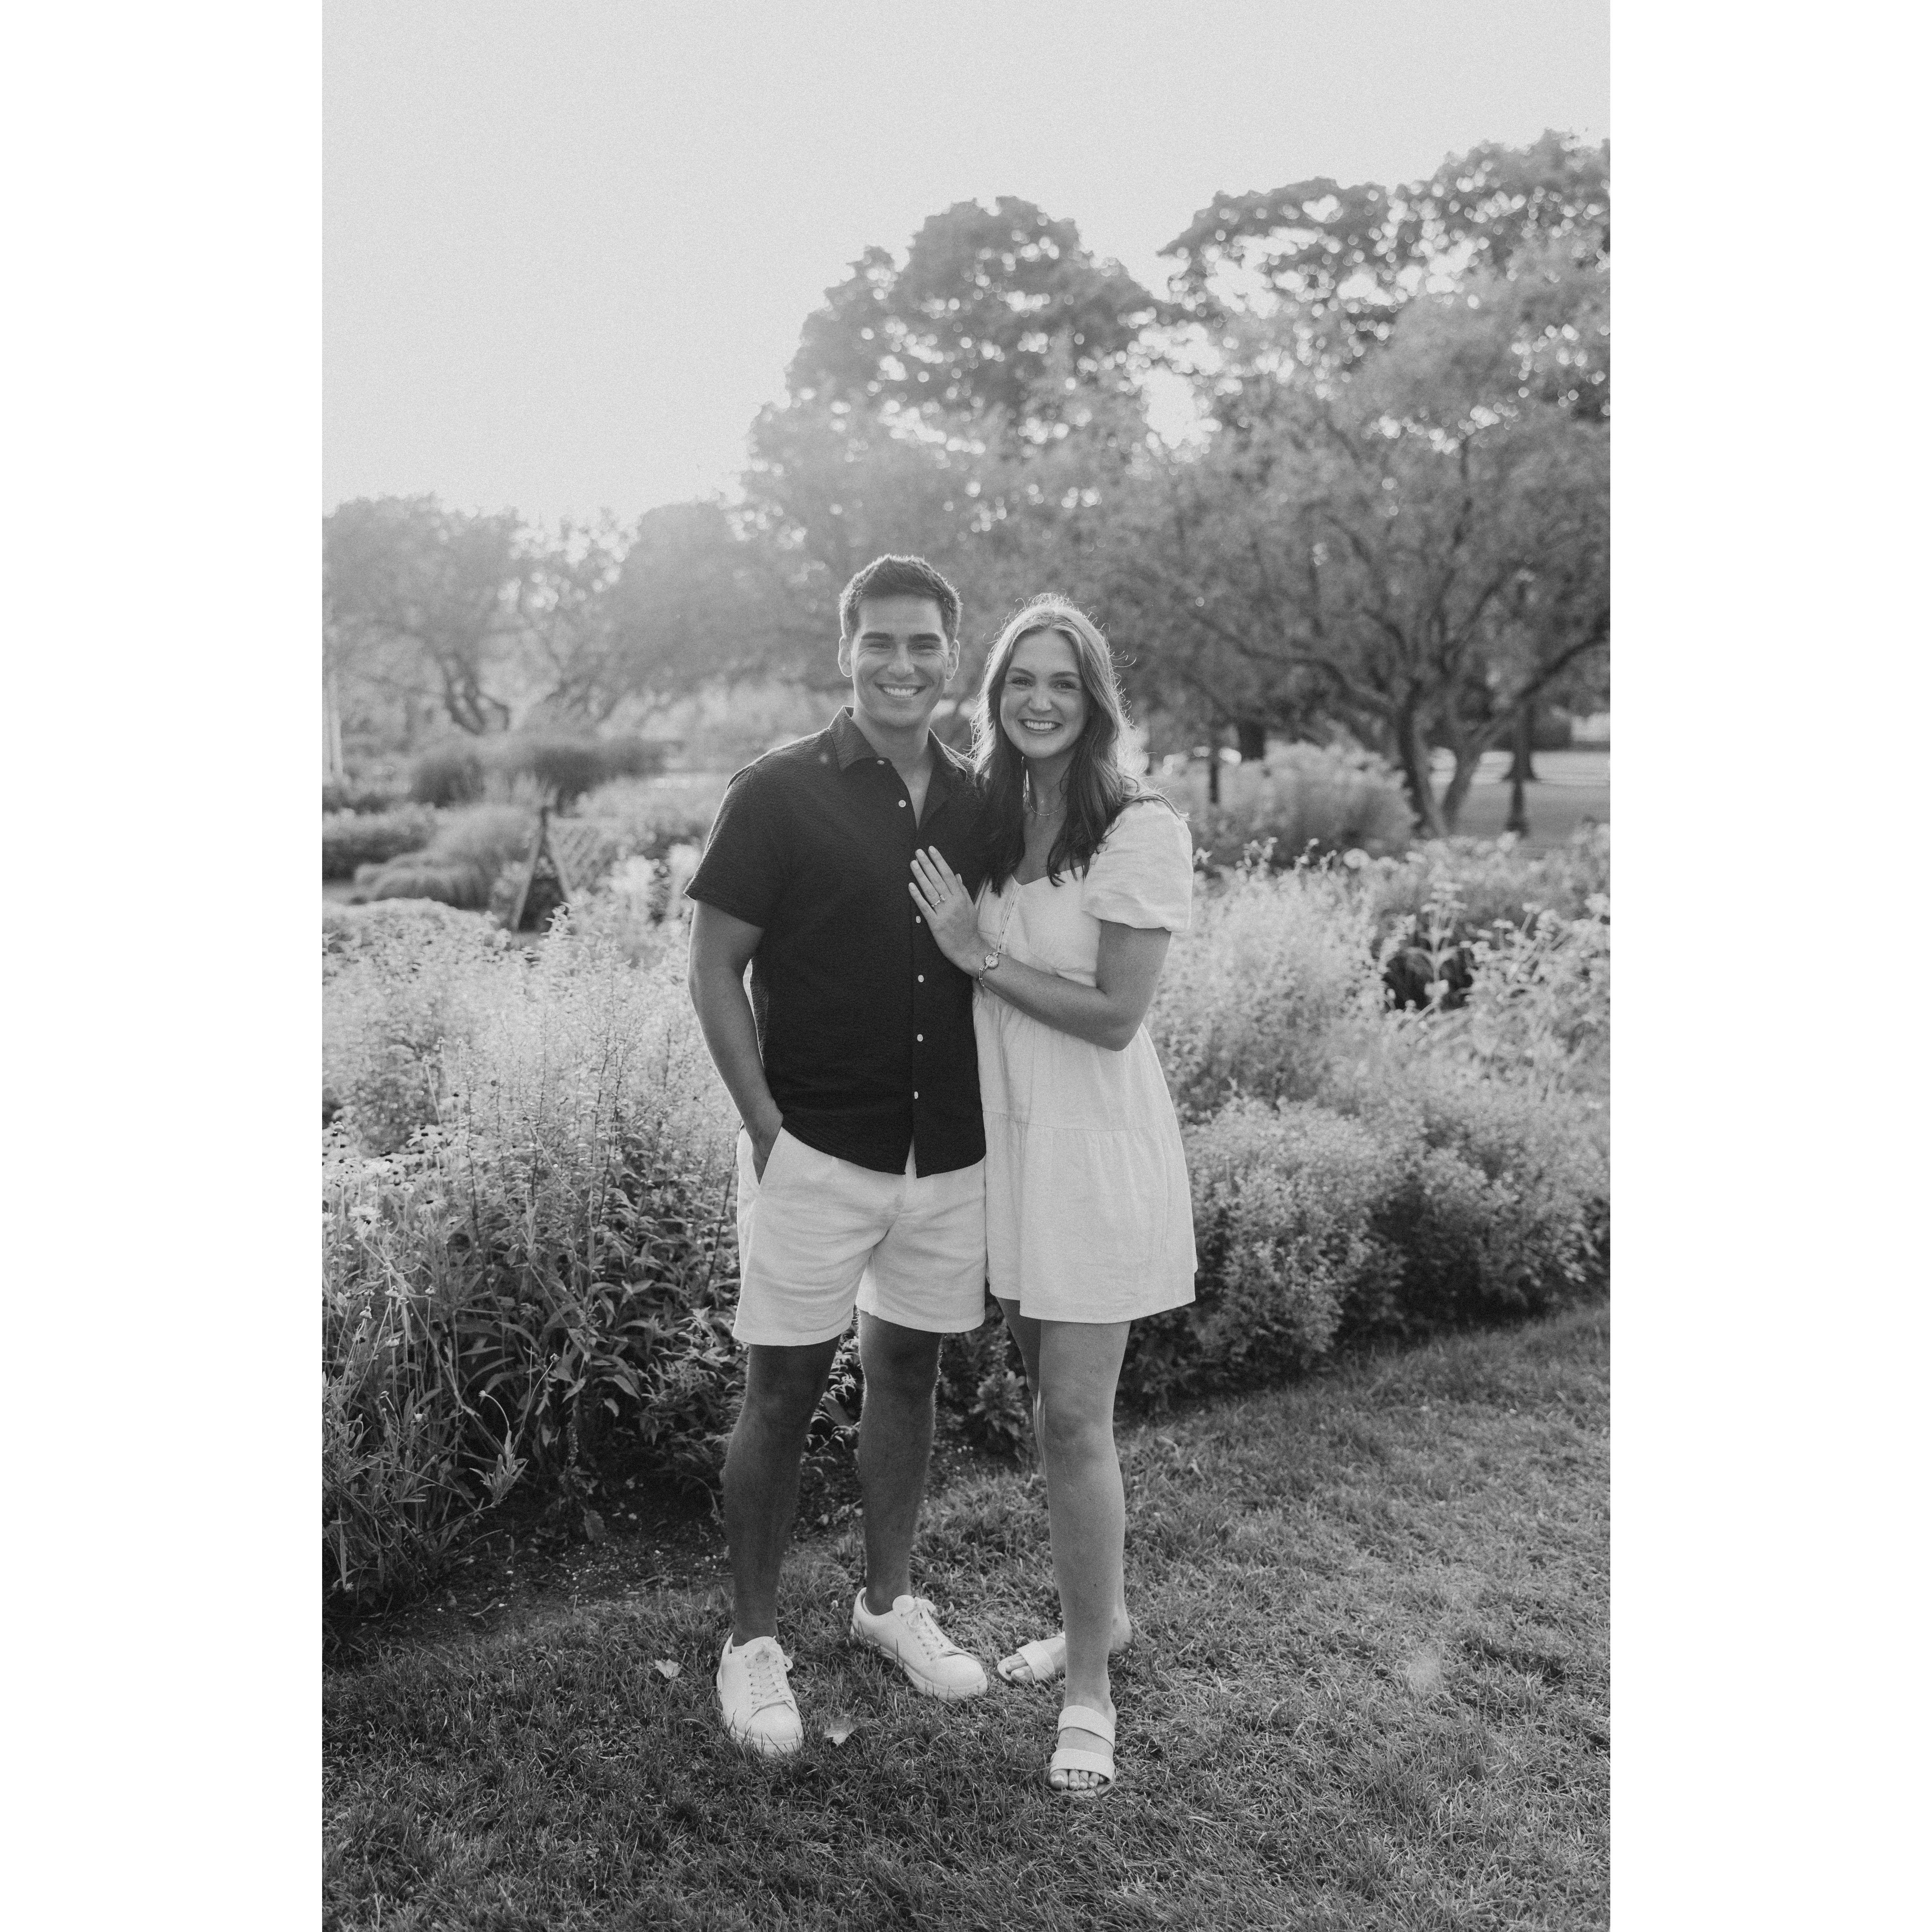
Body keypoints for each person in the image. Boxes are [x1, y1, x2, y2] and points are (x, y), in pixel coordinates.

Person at [686, 554, 992, 1759]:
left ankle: (886, 1604)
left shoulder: (979, 800)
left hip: (945, 1152)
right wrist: (767, 1127)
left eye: (923, 645)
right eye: (881, 642)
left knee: (907, 1372)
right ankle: (751, 1642)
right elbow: (714, 968)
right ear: (846, 650)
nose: (901, 665)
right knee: (781, 1391)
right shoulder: (775, 791)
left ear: (951, 657)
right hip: (812, 1146)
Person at [908, 595, 1196, 1800]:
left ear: (1094, 700)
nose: (1038, 699)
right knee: (1047, 1403)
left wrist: (979, 954)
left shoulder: (1136, 827)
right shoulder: (988, 820)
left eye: (1062, 682)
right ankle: (1104, 1612)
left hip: (1091, 1151)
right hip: (1009, 1150)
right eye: (1019, 679)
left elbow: (1117, 1014)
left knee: (1074, 1418)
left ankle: (1089, 1690)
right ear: (996, 695)